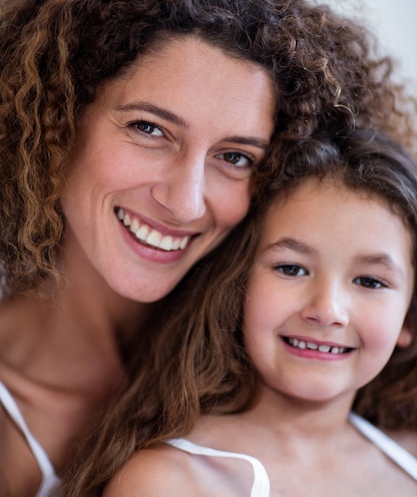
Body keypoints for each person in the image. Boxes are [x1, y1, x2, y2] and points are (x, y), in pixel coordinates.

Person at [0, 0, 416, 496]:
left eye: (236, 156)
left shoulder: (316, 358)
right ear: (57, 119)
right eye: (149, 129)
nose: (185, 200)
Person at [63, 128, 417, 496]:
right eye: (291, 269)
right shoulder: (169, 482)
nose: (326, 310)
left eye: (371, 282)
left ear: (408, 318)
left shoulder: (408, 463)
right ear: (238, 287)